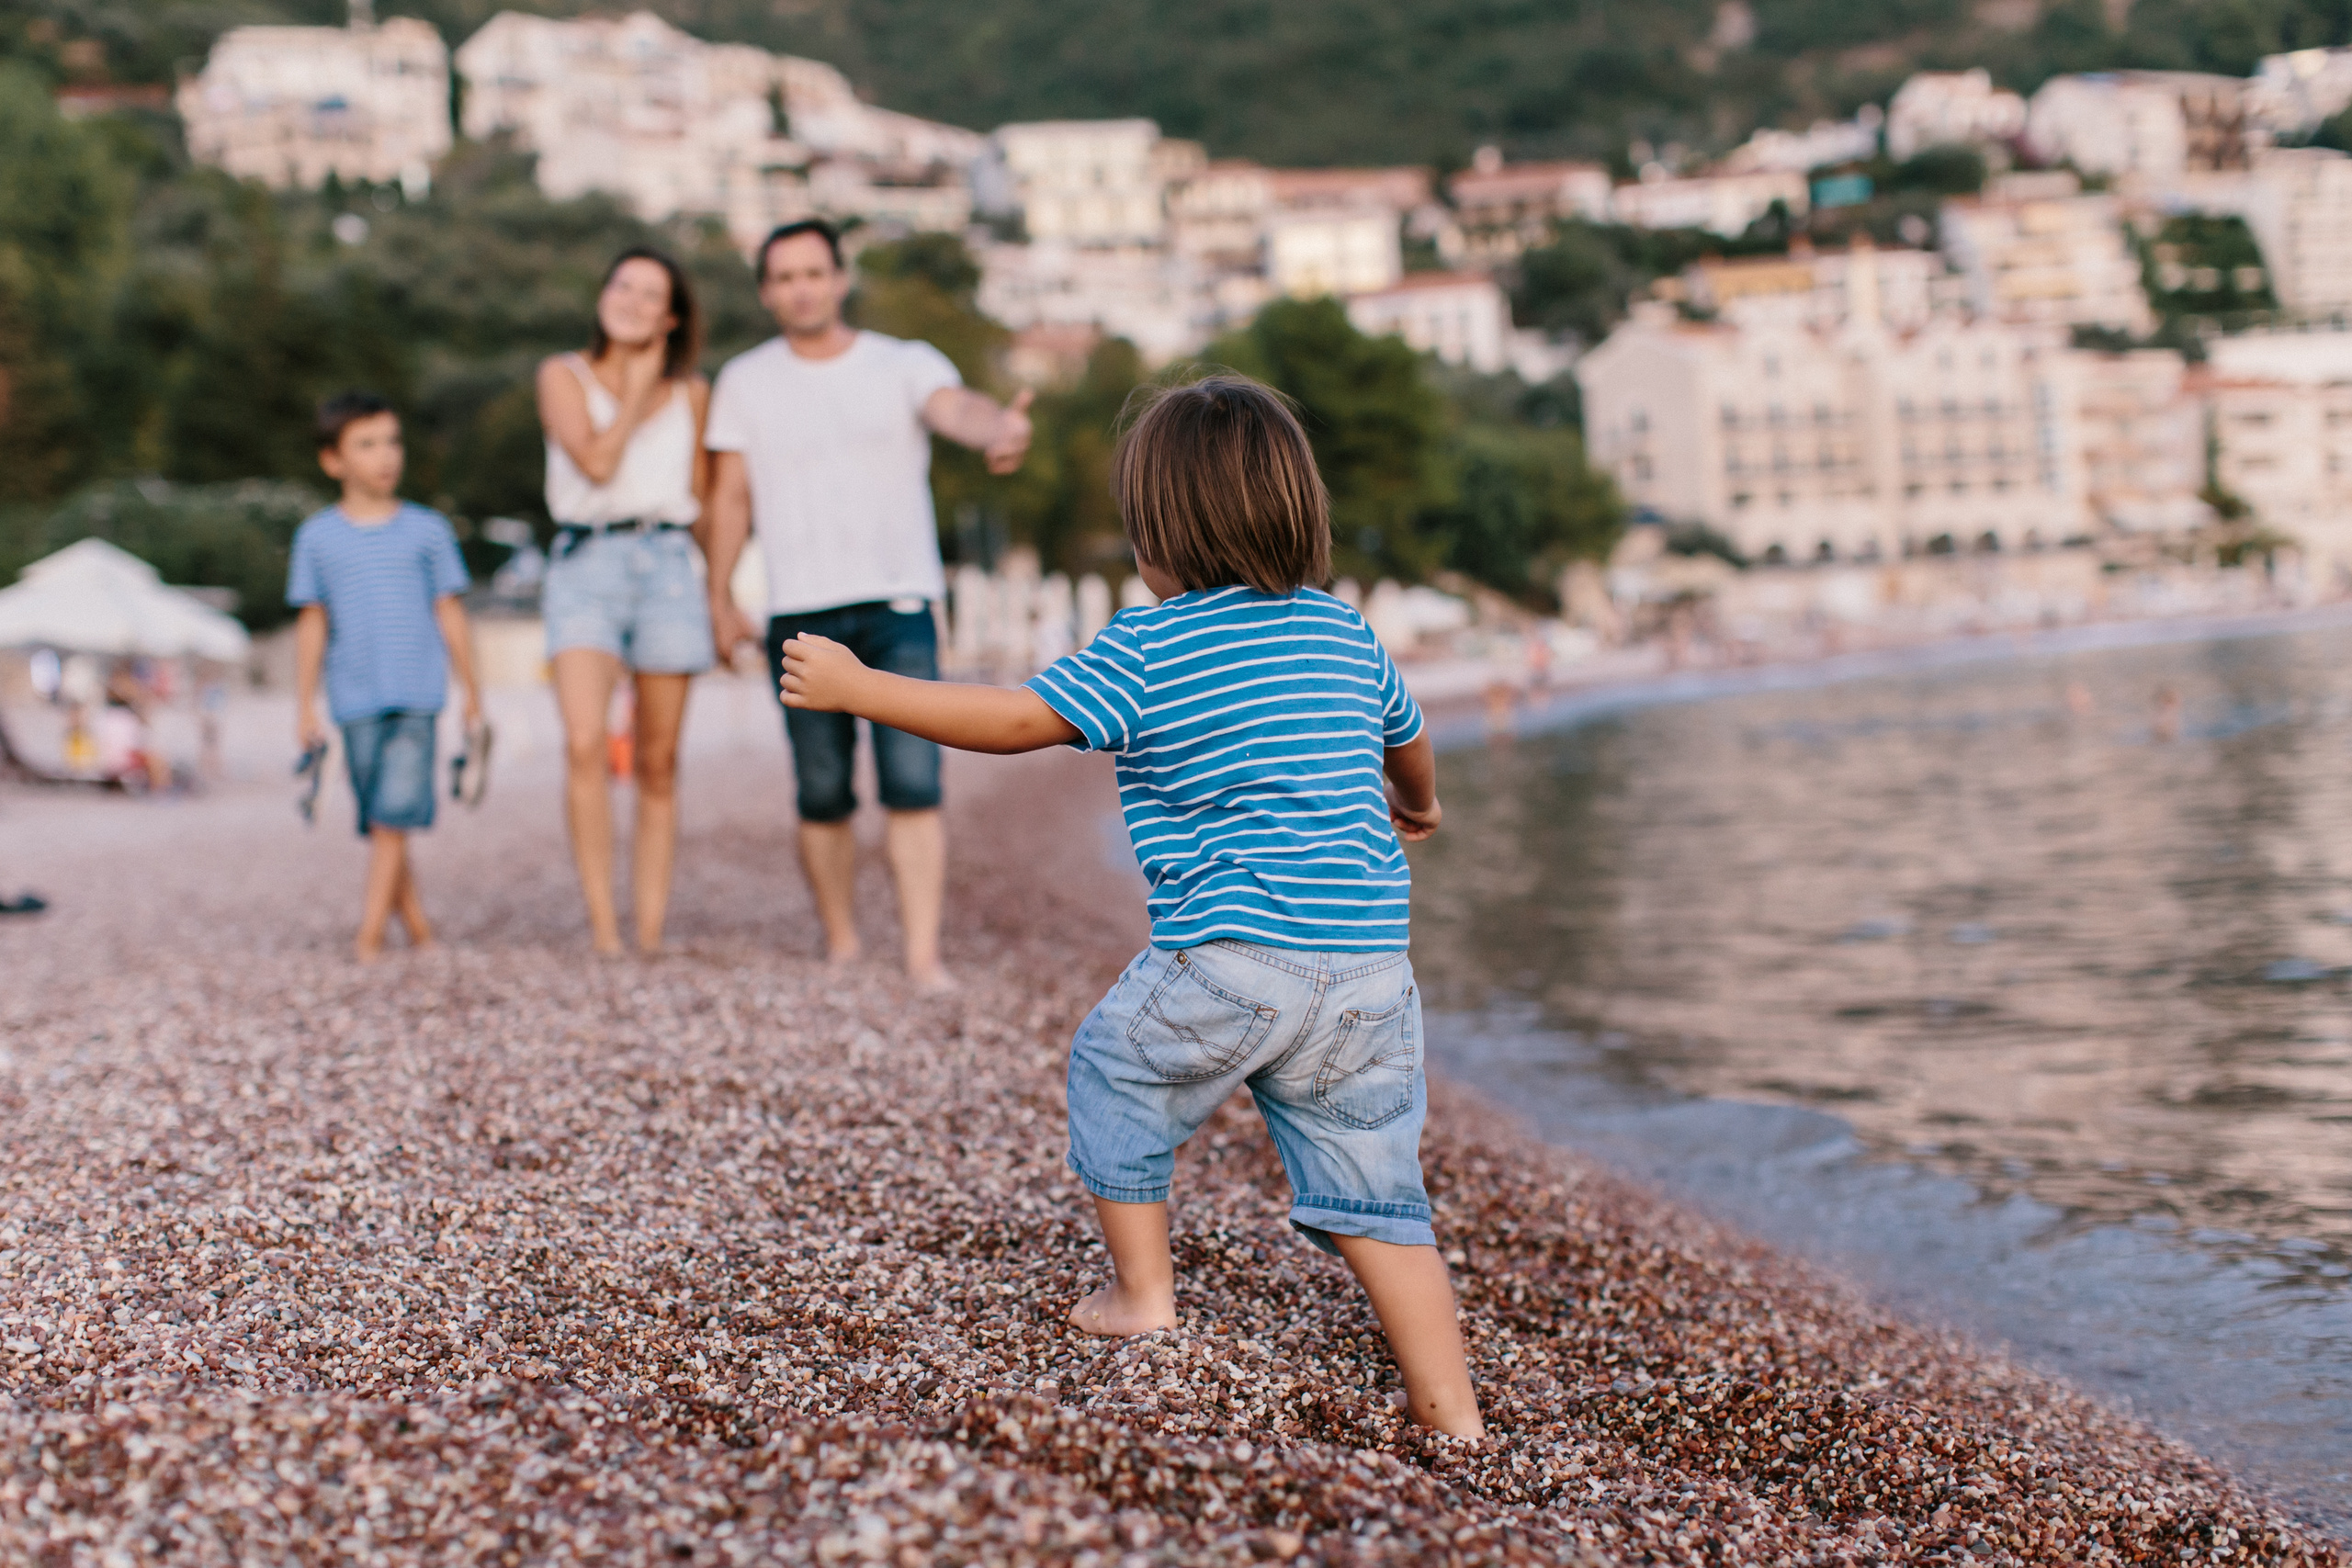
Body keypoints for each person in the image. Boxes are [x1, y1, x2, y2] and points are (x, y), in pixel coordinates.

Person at [777, 375, 1485, 1438]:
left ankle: (1143, 1299)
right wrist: (1417, 803)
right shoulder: (1343, 631)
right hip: (1371, 970)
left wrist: (860, 688)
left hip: (1233, 955)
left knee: (1115, 1073)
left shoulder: (1148, 648)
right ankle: (1453, 1414)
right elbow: (1408, 734)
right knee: (1380, 1197)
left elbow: (1017, 721)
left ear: (1158, 529)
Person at [701, 219, 1034, 988]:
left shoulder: (903, 362)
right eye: (783, 277)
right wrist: (718, 597)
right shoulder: (745, 380)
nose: (801, 288)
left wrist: (999, 430)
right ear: (765, 292)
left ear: (840, 278)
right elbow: (729, 497)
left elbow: (958, 408)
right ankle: (844, 942)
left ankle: (922, 954)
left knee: (913, 781)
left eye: (813, 272)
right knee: (821, 789)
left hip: (899, 601)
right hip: (800, 608)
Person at [537, 246, 715, 956]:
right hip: (585, 559)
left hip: (670, 564)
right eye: (622, 285)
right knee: (584, 744)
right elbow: (598, 462)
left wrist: (723, 594)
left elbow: (701, 499)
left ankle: (649, 929)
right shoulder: (563, 375)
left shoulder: (695, 394)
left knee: (659, 759)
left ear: (671, 317)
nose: (632, 301)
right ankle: (603, 929)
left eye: (651, 295)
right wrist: (639, 390)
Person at [289, 391, 482, 963]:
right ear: (333, 461)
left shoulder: (428, 530)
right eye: (366, 445)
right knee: (382, 820)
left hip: (418, 692)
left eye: (392, 442)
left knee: (393, 812)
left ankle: (368, 935)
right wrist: (304, 705)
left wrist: (473, 690)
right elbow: (312, 622)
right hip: (354, 697)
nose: (385, 456)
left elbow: (451, 611)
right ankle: (419, 927)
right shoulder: (317, 538)